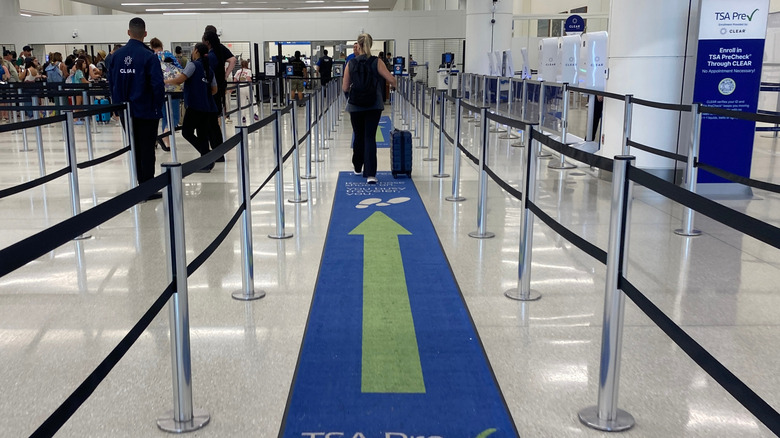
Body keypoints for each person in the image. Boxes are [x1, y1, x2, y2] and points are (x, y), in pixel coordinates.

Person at [108, 17, 165, 200]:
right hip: (146, 110)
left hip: (125, 110)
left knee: (135, 147)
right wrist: (158, 106)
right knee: (147, 148)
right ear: (145, 34)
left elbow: (112, 83)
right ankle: (147, 187)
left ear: (128, 32)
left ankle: (140, 185)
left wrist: (116, 106)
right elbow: (157, 85)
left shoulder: (116, 56)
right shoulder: (149, 56)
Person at [343, 33, 396, 185]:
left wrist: (351, 97)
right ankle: (371, 174)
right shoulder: (377, 62)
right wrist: (394, 87)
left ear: (358, 45)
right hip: (374, 104)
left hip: (355, 105)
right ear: (370, 45)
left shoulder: (351, 63)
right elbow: (391, 79)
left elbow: (345, 87)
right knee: (369, 137)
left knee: (358, 135)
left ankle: (357, 167)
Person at [165, 43, 218, 173]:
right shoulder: (209, 69)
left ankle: (207, 156)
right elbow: (214, 90)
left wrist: (165, 81)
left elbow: (180, 80)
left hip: (194, 105)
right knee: (202, 134)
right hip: (207, 106)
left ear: (196, 51)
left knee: (187, 132)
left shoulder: (192, 65)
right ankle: (206, 162)